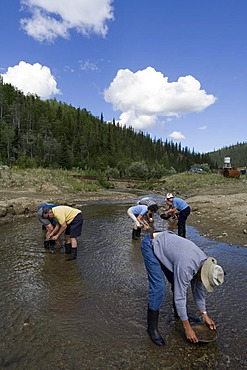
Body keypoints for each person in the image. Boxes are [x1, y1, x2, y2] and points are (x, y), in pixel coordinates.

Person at [141, 230, 224, 346]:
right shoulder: (187, 267)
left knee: (178, 283)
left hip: (167, 244)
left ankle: (178, 314)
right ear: (203, 273)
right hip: (151, 244)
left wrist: (204, 314)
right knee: (159, 288)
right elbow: (180, 297)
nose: (203, 283)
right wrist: (187, 327)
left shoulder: (203, 264)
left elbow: (198, 290)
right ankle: (152, 328)